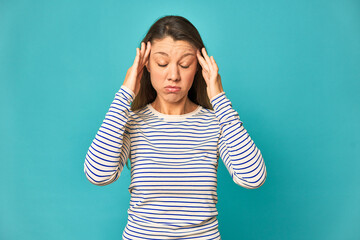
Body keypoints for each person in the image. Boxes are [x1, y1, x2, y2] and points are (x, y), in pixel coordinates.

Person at [84, 15, 267, 240]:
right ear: (146, 65)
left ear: (199, 68)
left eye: (184, 64)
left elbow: (253, 177)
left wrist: (219, 98)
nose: (173, 75)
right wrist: (126, 91)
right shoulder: (131, 122)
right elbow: (97, 174)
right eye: (162, 63)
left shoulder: (217, 123)